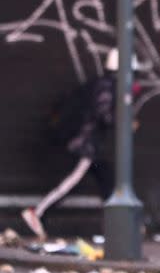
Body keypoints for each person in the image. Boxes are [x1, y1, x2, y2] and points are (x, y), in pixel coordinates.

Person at [21, 48, 126, 239]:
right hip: (87, 145)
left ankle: (119, 226)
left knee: (108, 182)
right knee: (73, 182)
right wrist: (124, 120)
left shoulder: (101, 84)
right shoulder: (108, 86)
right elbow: (104, 114)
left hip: (91, 145)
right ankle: (38, 212)